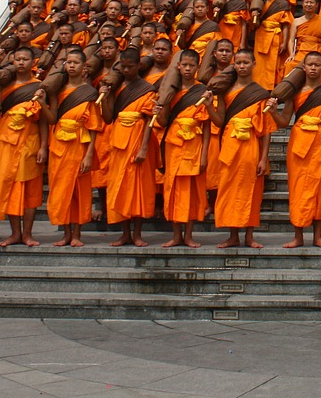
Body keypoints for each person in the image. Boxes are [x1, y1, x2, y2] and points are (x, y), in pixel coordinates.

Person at [276, 51, 321, 248]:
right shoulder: (295, 91)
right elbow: (284, 121)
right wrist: (272, 112)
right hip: (298, 147)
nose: (313, 68)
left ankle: (317, 237)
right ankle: (298, 236)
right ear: (303, 67)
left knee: (319, 192)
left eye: (317, 65)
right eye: (310, 64)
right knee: (297, 191)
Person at [212, 50, 275, 248]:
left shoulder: (260, 93)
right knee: (229, 191)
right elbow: (220, 120)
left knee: (252, 192)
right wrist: (207, 107)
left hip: (251, 147)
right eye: (238, 62)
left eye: (246, 62)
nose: (242, 66)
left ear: (254, 64)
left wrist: (264, 159)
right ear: (234, 65)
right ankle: (233, 235)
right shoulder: (226, 90)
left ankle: (249, 236)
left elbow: (266, 130)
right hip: (230, 146)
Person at [0, 47, 46, 248]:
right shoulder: (4, 87)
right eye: (17, 59)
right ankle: (14, 233)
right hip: (6, 142)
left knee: (30, 190)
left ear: (33, 62)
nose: (21, 62)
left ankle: (28, 234)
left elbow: (43, 121)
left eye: (25, 59)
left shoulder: (39, 86)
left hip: (30, 141)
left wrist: (43, 147)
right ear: (12, 62)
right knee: (10, 188)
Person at [101, 48, 158, 247]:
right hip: (118, 142)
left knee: (138, 188)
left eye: (130, 66)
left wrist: (143, 148)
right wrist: (106, 97)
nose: (126, 70)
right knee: (119, 187)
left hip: (138, 140)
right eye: (122, 66)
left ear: (138, 66)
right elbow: (108, 117)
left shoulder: (147, 89)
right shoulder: (115, 87)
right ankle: (125, 233)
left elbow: (150, 120)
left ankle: (138, 233)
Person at [47, 48, 103, 248]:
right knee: (62, 191)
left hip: (80, 146)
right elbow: (52, 118)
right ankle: (66, 233)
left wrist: (89, 155)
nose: (71, 66)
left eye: (75, 63)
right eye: (68, 62)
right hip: (59, 147)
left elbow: (94, 126)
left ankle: (77, 233)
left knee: (79, 191)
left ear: (83, 67)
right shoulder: (58, 90)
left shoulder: (89, 93)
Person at [161, 50, 214, 248]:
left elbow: (207, 125)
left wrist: (204, 155)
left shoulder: (202, 91)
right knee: (173, 190)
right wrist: (161, 108)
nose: (188, 69)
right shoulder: (170, 91)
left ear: (197, 68)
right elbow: (164, 121)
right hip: (174, 146)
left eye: (192, 66)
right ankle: (176, 235)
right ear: (179, 66)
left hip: (194, 145)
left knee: (192, 193)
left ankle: (189, 235)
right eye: (185, 65)